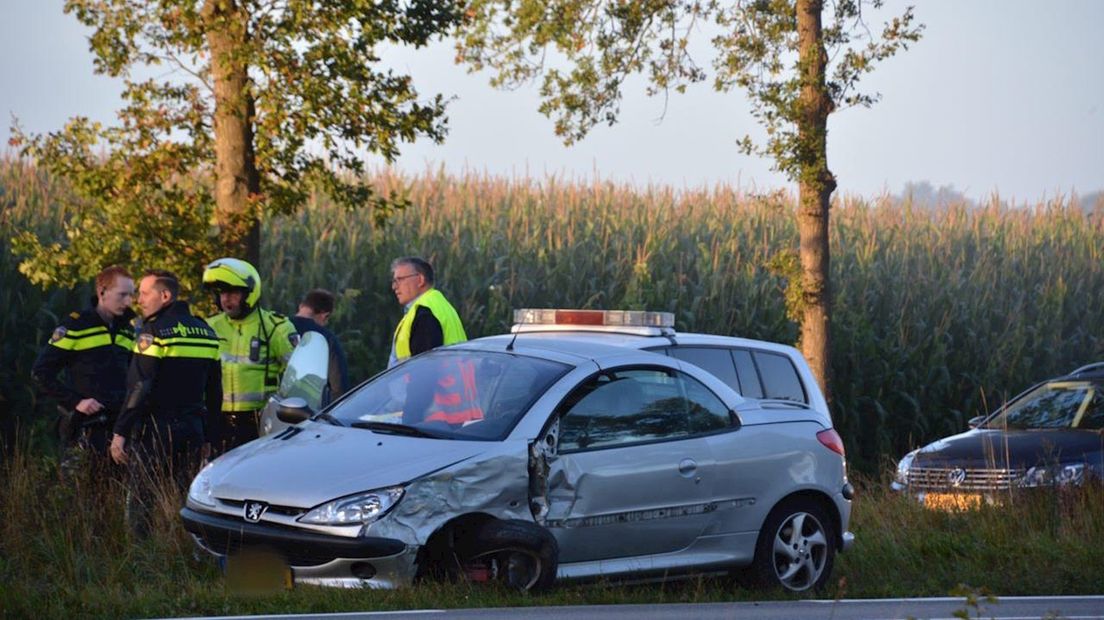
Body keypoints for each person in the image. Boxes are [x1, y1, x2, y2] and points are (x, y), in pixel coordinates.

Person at [109, 270, 221, 537]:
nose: (139, 300)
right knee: (186, 499)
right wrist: (210, 435)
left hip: (156, 431)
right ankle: (186, 550)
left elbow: (139, 386)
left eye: (145, 294)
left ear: (165, 296)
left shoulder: (153, 332)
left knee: (141, 500)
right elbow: (215, 392)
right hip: (194, 430)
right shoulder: (206, 331)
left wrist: (121, 431)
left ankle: (141, 558)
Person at [32, 265, 136, 471]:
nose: (128, 301)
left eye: (131, 295)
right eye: (122, 295)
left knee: (114, 498)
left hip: (118, 431)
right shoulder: (76, 325)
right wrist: (76, 401)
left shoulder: (128, 330)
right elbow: (40, 372)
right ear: (102, 292)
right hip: (84, 428)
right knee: (77, 496)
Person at [202, 257, 298, 449]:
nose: (226, 299)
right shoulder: (209, 327)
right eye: (221, 293)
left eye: (232, 292)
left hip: (259, 422)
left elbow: (299, 376)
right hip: (216, 420)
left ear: (249, 293)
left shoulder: (276, 327)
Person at [388, 256, 467, 368]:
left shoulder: (424, 312)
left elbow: (425, 369)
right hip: (456, 383)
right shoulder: (439, 305)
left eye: (399, 280)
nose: (394, 287)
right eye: (394, 281)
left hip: (436, 385)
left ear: (420, 280)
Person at [290, 288, 350, 405]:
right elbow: (339, 385)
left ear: (301, 306)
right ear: (325, 315)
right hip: (309, 411)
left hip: (275, 407)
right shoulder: (327, 339)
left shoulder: (277, 329)